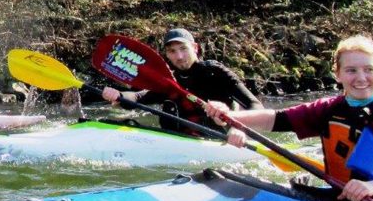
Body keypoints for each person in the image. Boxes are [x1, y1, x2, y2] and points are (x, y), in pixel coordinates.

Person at [205, 35, 373, 201]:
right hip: (338, 199)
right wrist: (229, 117)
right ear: (338, 74)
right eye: (351, 70)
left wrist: (371, 187)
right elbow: (276, 119)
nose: (361, 78)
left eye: (369, 70)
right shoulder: (330, 108)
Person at [102, 28, 263, 134]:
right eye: (172, 51)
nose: (179, 57)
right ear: (167, 55)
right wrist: (119, 95)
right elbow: (139, 97)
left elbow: (255, 106)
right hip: (180, 144)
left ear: (195, 48)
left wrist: (238, 128)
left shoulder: (215, 72)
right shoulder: (169, 81)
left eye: (183, 49)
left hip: (218, 142)